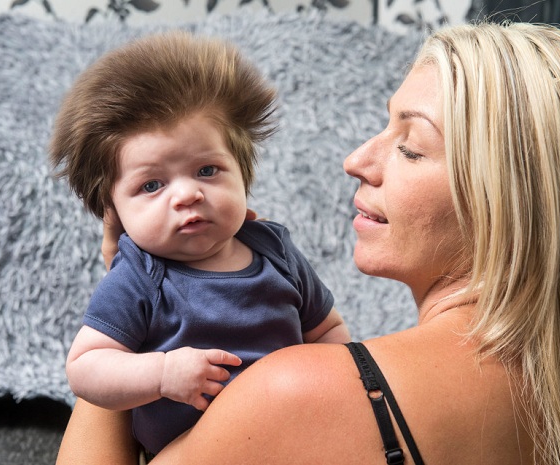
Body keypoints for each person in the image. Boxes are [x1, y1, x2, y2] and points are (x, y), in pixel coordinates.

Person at [56, 21, 560, 465]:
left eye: (411, 146)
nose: (355, 161)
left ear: (511, 198)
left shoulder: (295, 394)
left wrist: (130, 283)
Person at [49, 31, 350, 456]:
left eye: (207, 170)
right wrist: (161, 373)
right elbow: (85, 368)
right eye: (152, 185)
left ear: (243, 174)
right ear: (112, 210)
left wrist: (338, 391)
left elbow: (328, 330)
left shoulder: (274, 250)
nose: (186, 194)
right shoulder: (141, 276)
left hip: (295, 442)